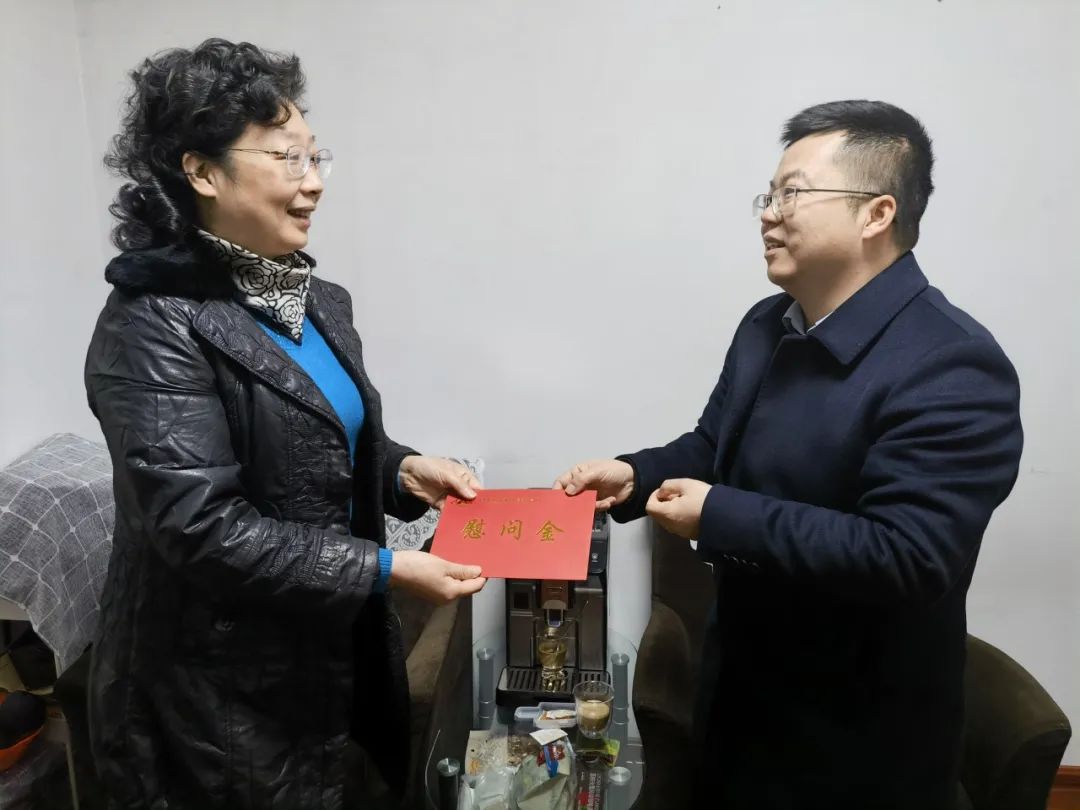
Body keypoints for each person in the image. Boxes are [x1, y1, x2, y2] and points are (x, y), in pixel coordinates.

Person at [555, 100, 1023, 809]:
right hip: (743, 696)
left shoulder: (952, 365)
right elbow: (715, 444)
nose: (769, 215)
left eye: (792, 194)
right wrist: (636, 473)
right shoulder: (766, 324)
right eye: (768, 196)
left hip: (853, 740)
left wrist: (719, 514)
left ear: (877, 214)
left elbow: (908, 556)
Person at [84, 38, 486, 809]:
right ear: (202, 172)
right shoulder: (151, 324)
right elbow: (200, 527)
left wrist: (402, 470)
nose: (314, 182)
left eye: (315, 157)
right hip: (216, 701)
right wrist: (385, 569)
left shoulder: (316, 302)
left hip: (325, 658)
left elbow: (317, 442)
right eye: (286, 159)